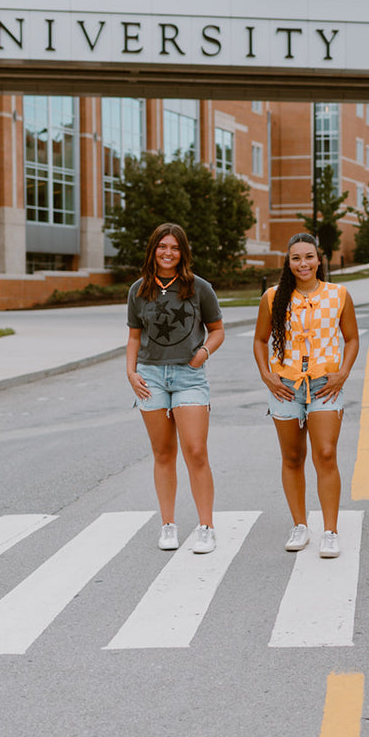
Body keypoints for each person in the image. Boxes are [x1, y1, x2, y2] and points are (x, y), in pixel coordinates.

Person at [253, 233, 360, 558]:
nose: (303, 263)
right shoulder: (273, 297)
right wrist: (267, 376)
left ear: (319, 259)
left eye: (309, 256)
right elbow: (259, 340)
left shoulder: (338, 294)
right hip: (285, 386)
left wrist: (342, 373)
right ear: (288, 262)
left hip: (324, 385)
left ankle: (330, 530)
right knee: (292, 458)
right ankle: (300, 524)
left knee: (325, 454)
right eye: (296, 258)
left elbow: (352, 338)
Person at [126, 223, 225, 554]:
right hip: (150, 377)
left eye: (174, 247)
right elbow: (134, 336)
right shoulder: (139, 290)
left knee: (196, 451)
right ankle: (168, 525)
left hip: (189, 376)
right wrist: (130, 372)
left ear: (183, 252)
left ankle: (206, 527)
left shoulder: (199, 288)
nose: (167, 252)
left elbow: (217, 330)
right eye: (162, 246)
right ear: (153, 249)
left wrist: (203, 354)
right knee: (163, 453)